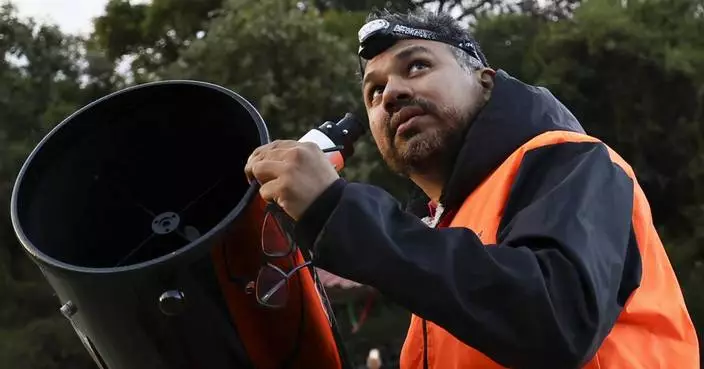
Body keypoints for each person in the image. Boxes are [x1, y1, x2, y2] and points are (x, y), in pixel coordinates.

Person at [244, 8, 700, 369]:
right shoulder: (440, 240)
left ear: (486, 80)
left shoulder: (573, 160)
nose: (391, 94)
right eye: (374, 91)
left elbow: (557, 319)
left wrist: (337, 212)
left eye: (417, 66)